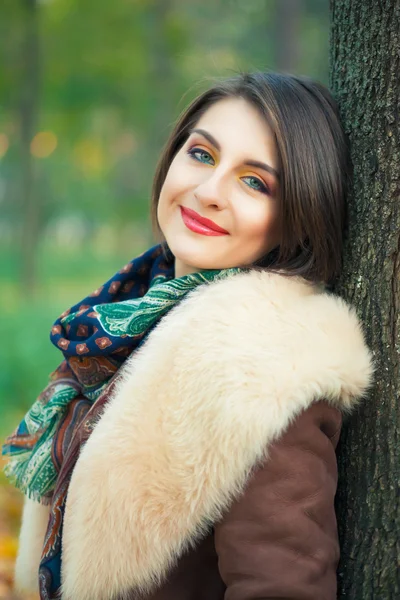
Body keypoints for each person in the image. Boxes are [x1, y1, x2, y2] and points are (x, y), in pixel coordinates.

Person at [3, 71, 373, 600]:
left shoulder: (263, 367)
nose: (207, 191)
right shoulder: (119, 326)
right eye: (202, 155)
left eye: (254, 182)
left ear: (297, 218)